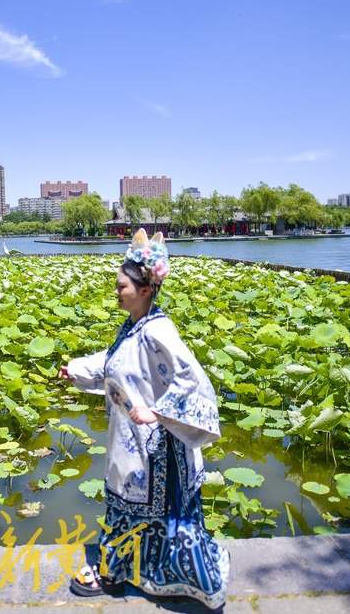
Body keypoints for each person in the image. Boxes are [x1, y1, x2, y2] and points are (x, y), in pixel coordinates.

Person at [59, 228, 228, 610]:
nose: (116, 291)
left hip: (155, 447)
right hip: (131, 440)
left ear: (146, 289)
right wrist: (75, 369)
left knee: (147, 508)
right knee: (127, 503)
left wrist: (158, 411)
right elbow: (113, 362)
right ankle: (127, 570)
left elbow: (192, 379)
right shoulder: (135, 327)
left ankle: (115, 572)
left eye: (121, 286)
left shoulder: (159, 331)